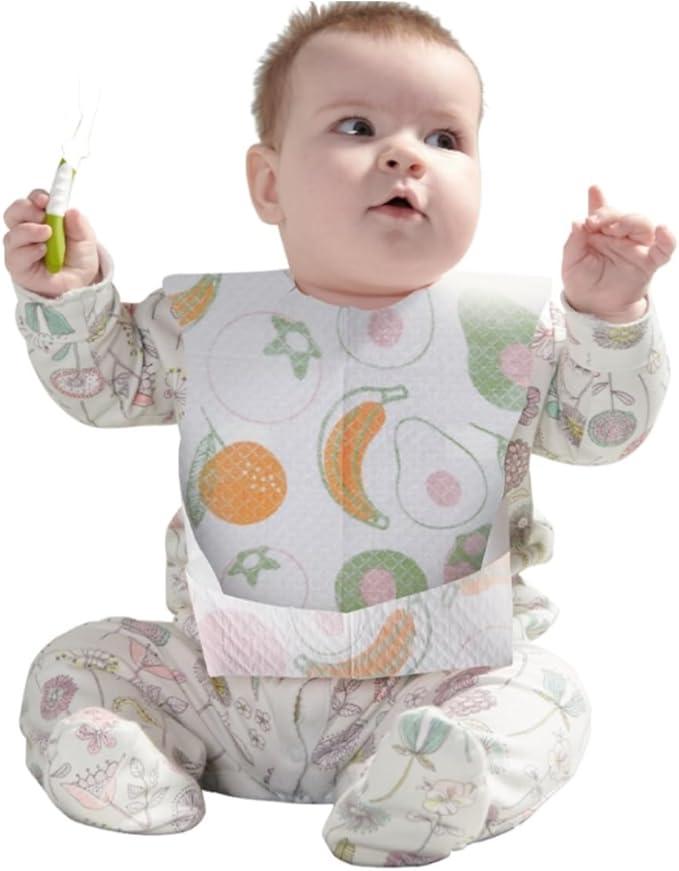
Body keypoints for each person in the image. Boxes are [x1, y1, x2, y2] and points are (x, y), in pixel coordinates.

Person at [3, 1, 674, 865]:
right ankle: (127, 766)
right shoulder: (202, 321)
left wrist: (608, 317)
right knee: (76, 663)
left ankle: (422, 785)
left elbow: (598, 431)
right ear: (269, 183)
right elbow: (106, 388)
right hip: (220, 681)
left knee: (550, 694)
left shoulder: (514, 335)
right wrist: (70, 299)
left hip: (433, 681)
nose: (404, 155)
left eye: (444, 137)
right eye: (357, 126)